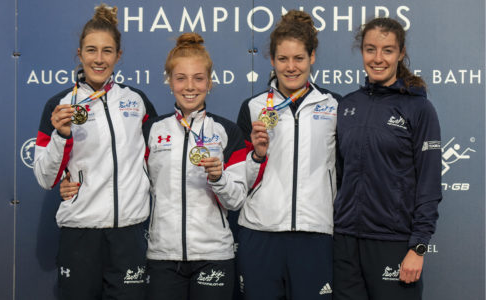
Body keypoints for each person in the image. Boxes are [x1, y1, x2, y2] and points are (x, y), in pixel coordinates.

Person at [33, 4, 156, 299]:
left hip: (128, 233)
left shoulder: (136, 101)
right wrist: (62, 136)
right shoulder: (59, 105)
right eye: (91, 50)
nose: (99, 59)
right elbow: (44, 177)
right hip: (81, 233)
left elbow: (157, 160)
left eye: (107, 51)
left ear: (118, 56)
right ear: (79, 54)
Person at [333, 17, 442, 300]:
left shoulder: (419, 108)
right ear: (362, 52)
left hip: (393, 243)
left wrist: (418, 248)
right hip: (346, 242)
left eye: (388, 50)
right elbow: (340, 176)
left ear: (401, 53)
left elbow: (429, 184)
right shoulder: (347, 105)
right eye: (370, 49)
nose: (378, 58)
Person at [236, 10, 340, 300]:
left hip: (315, 233)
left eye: (298, 58)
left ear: (312, 57)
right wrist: (256, 156)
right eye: (283, 59)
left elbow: (344, 173)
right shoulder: (254, 107)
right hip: (260, 232)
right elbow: (237, 176)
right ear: (271, 60)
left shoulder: (333, 106)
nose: (291, 67)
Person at [142, 32, 247, 300]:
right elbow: (129, 181)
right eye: (181, 78)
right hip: (163, 256)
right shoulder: (151, 130)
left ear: (210, 82)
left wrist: (219, 177)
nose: (190, 86)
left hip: (214, 255)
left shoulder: (227, 130)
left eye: (198, 78)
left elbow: (235, 200)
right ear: (170, 82)